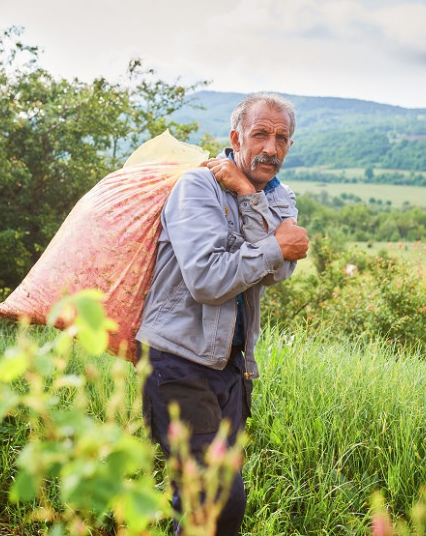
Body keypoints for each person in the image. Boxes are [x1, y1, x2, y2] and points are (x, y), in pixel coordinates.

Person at [136, 92, 309, 534]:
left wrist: (249, 193)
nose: (272, 147)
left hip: (231, 369)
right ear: (236, 137)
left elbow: (278, 272)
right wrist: (273, 244)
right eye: (261, 134)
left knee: (201, 507)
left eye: (282, 138)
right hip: (177, 362)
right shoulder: (197, 187)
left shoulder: (279, 197)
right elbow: (209, 280)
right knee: (219, 497)